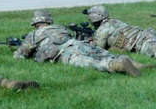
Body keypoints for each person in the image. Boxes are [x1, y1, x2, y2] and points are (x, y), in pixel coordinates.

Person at [14, 10, 144, 76]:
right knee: (103, 54)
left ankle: (118, 65)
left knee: (93, 63)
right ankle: (136, 64)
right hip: (78, 44)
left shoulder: (33, 35)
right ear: (48, 21)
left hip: (65, 54)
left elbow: (20, 56)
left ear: (35, 23)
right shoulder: (60, 27)